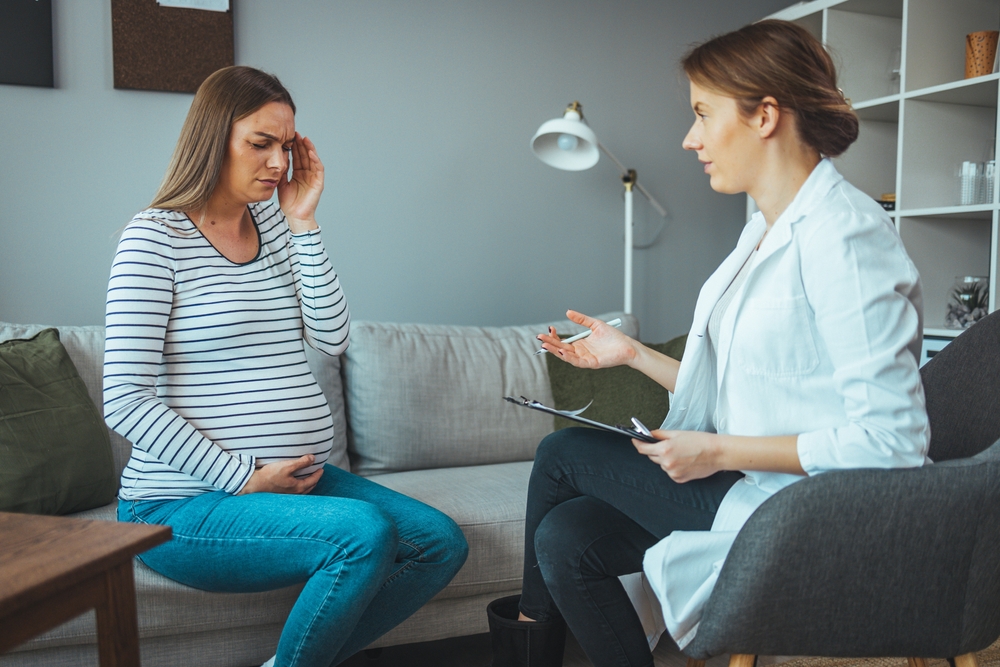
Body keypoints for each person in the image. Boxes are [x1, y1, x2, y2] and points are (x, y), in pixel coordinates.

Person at [493, 20, 930, 667]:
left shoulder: (844, 237)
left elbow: (893, 444)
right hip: (757, 484)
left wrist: (715, 449)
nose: (689, 137)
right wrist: (634, 354)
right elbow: (752, 382)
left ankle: (523, 643)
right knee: (564, 536)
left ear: (766, 116)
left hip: (807, 510)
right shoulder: (761, 231)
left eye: (702, 113)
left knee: (562, 452)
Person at [104, 66, 468, 667]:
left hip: (295, 478)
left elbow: (331, 338)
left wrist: (304, 223)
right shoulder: (154, 237)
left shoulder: (274, 225)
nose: (278, 162)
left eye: (286, 146)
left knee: (438, 542)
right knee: (363, 534)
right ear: (212, 139)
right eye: (260, 143)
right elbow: (124, 398)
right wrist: (243, 477)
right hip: (180, 506)